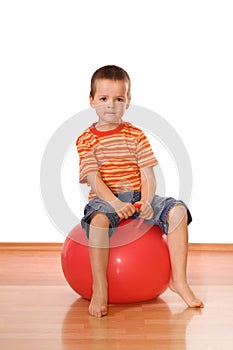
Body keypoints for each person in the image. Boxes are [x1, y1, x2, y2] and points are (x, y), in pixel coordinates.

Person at [76, 65, 204, 318]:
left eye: (118, 99)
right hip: (104, 200)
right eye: (103, 98)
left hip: (136, 196)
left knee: (177, 211)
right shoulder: (86, 139)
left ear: (128, 102)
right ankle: (100, 286)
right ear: (91, 101)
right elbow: (93, 178)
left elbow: (148, 175)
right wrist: (113, 203)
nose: (111, 105)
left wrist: (146, 201)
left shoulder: (135, 135)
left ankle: (179, 280)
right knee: (99, 222)